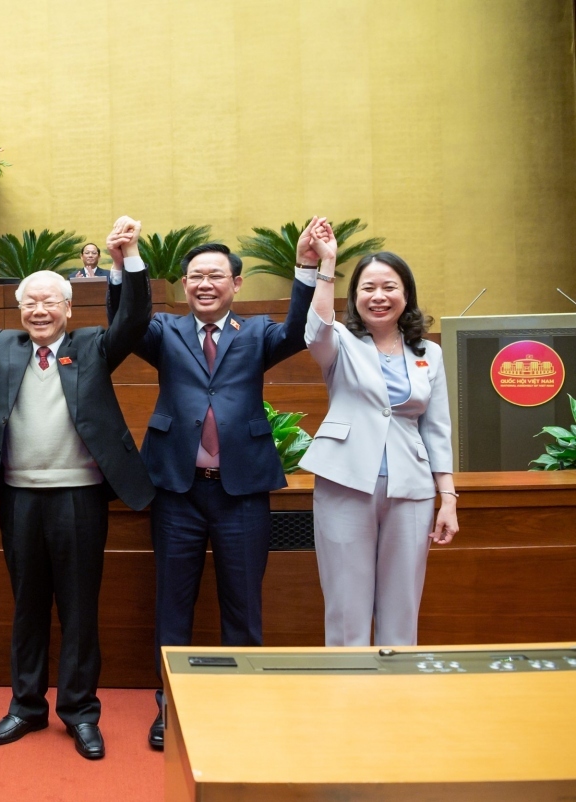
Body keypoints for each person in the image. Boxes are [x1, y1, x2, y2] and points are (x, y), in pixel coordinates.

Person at [108, 229, 316, 749]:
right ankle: (169, 708)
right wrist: (124, 265)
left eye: (215, 276)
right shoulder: (164, 331)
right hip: (177, 490)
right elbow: (126, 323)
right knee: (172, 606)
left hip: (241, 491)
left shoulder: (257, 333)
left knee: (243, 605)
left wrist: (308, 268)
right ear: (183, 285)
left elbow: (298, 330)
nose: (204, 284)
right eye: (195, 276)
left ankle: (241, 705)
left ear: (236, 284)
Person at [0, 217, 155, 760]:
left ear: (70, 309)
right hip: (19, 498)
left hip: (80, 498)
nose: (39, 311)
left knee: (77, 608)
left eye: (50, 302)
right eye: (30, 303)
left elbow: (136, 318)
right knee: (26, 607)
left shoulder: (93, 346)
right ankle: (25, 706)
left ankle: (79, 711)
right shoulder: (4, 347)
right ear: (19, 310)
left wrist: (128, 261)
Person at [297, 222, 457, 647]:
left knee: (402, 604)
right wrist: (326, 263)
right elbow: (315, 330)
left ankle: (397, 701)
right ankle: (347, 702)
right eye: (368, 288)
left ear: (406, 296)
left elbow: (437, 428)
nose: (379, 296)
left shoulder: (430, 354)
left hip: (412, 487)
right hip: (345, 481)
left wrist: (449, 499)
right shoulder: (341, 341)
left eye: (389, 287)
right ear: (355, 297)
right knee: (347, 605)